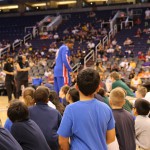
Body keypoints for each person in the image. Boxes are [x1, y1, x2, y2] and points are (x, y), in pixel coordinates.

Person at [57, 68, 115, 150]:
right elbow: (111, 138)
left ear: (76, 87)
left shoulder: (71, 109)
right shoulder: (106, 108)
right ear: (98, 88)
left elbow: (62, 140)